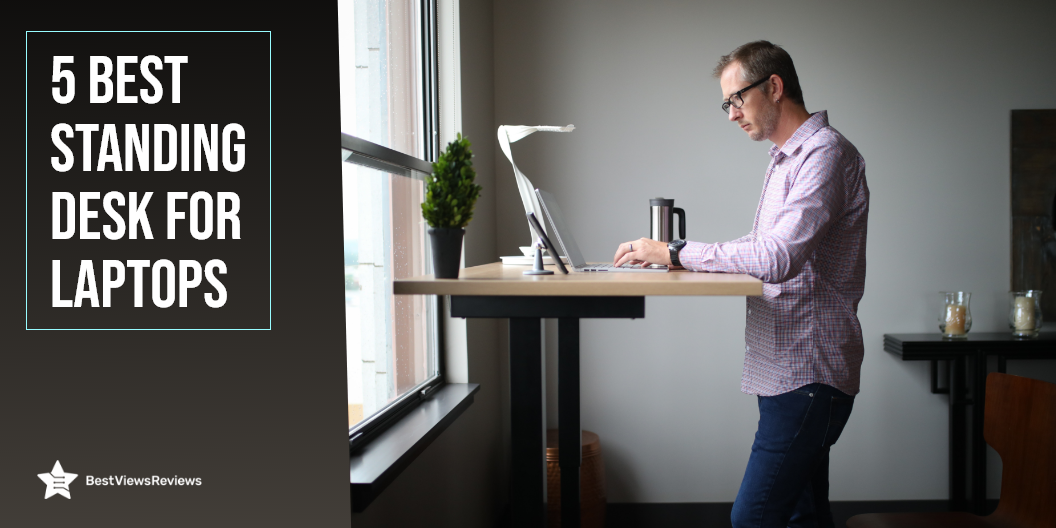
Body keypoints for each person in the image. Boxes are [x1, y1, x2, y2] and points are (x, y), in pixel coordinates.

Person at [613, 40, 869, 528]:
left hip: (807, 372)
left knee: (752, 518)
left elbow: (777, 257)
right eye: (725, 103)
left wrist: (675, 251)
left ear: (774, 87)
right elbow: (761, 248)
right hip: (786, 368)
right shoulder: (786, 159)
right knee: (801, 516)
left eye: (737, 99)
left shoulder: (825, 155)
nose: (730, 114)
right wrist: (677, 259)